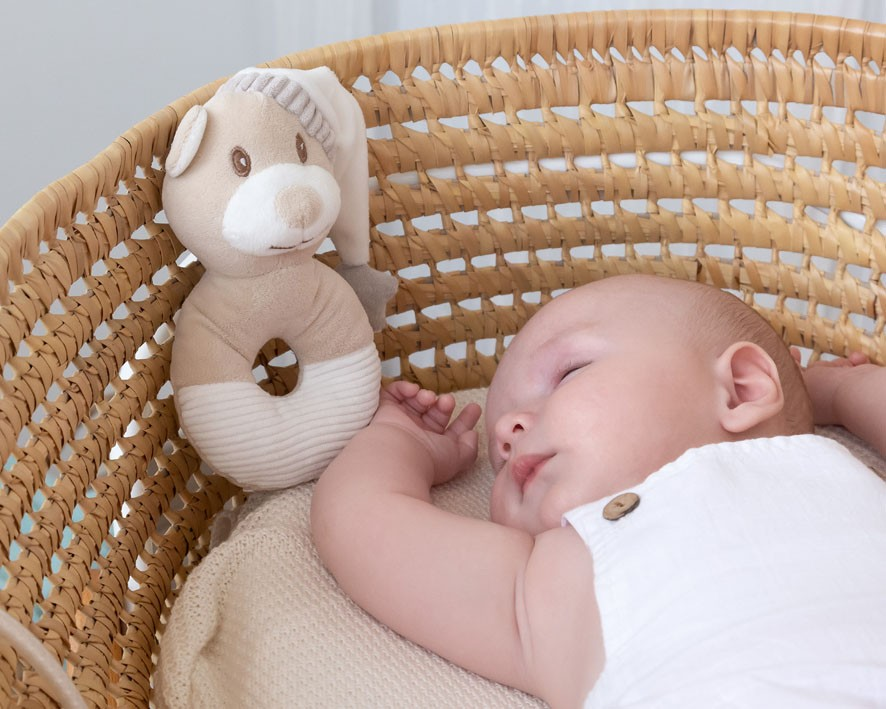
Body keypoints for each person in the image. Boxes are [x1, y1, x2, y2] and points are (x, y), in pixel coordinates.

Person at [311, 274, 886, 708]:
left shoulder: (827, 470)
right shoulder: (553, 573)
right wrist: (399, 443)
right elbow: (362, 524)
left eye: (568, 374)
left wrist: (839, 391)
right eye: (499, 453)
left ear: (741, 388)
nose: (507, 431)